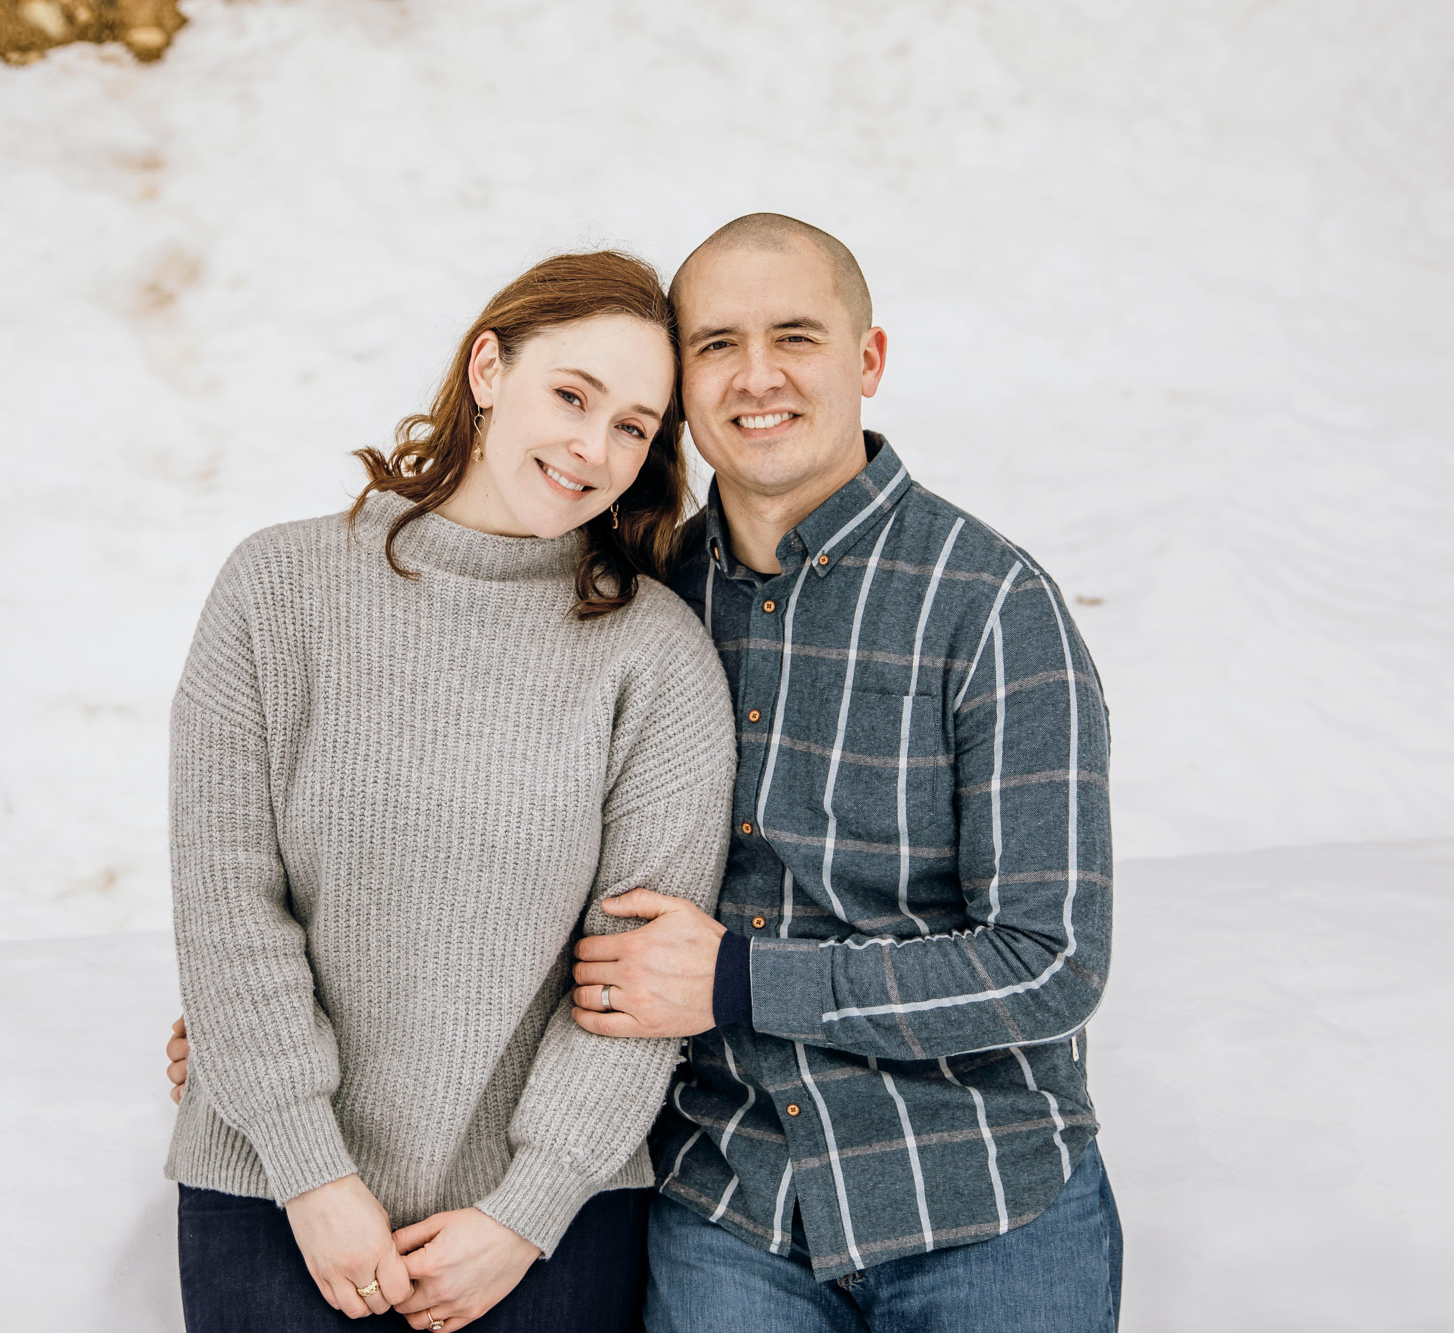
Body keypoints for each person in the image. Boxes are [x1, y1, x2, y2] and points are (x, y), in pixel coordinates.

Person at [171, 215, 1122, 1331]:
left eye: (796, 338)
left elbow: (1048, 962)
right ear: (490, 367)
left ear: (866, 360)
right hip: (729, 1193)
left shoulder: (981, 606)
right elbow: (260, 877)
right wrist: (256, 1065)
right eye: (716, 343)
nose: (755, 376)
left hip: (967, 1185)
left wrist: (734, 982)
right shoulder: (657, 584)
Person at [162, 249, 735, 1333]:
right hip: (273, 1199)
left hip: (542, 1234)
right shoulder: (277, 589)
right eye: (571, 394)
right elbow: (227, 893)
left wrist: (528, 1207)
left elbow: (633, 977)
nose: (590, 447)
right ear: (486, 368)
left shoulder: (653, 657)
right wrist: (309, 1169)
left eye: (632, 427)